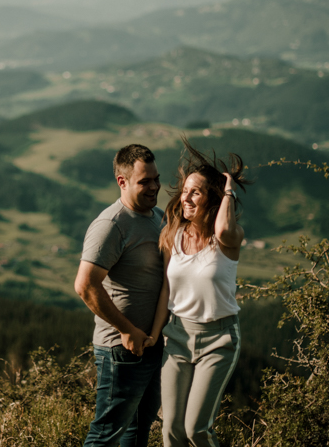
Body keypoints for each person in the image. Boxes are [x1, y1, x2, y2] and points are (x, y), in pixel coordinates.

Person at [150, 137, 249, 447]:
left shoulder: (228, 240)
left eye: (196, 192)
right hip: (177, 336)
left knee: (196, 430)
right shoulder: (173, 234)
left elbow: (220, 229)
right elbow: (167, 289)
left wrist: (228, 187)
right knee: (171, 432)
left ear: (214, 199)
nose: (186, 197)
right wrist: (155, 335)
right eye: (185, 190)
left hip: (218, 340)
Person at [74, 143, 165, 447]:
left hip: (152, 345)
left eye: (156, 178)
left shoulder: (157, 217)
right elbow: (86, 285)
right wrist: (127, 330)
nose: (154, 187)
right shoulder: (111, 225)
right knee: (105, 435)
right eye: (145, 181)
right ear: (122, 182)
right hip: (122, 350)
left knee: (137, 432)